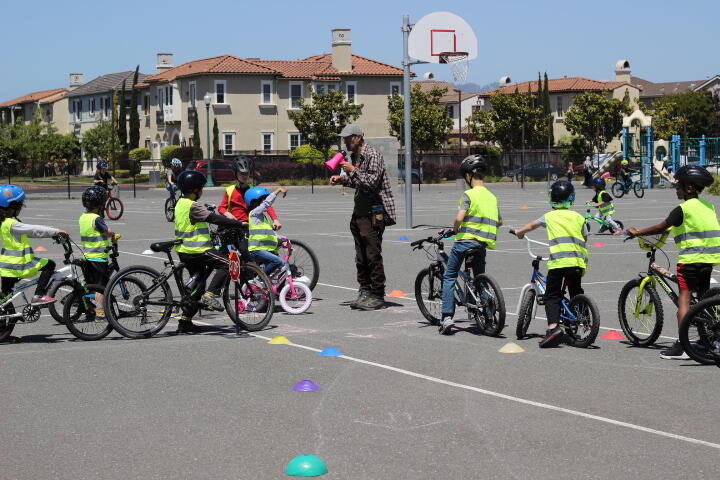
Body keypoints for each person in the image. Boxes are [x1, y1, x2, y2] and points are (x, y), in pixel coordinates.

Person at [627, 165, 720, 360]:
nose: (676, 189)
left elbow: (661, 227)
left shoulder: (682, 209)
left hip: (690, 260)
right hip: (709, 260)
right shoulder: (709, 206)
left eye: (678, 186)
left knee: (684, 300)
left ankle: (683, 345)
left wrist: (637, 232)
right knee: (703, 299)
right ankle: (706, 340)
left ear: (689, 189)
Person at [512, 180, 588, 348]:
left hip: (558, 263)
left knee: (551, 296)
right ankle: (584, 316)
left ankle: (553, 328)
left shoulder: (549, 216)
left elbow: (532, 226)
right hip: (577, 263)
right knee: (575, 291)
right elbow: (585, 236)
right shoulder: (579, 217)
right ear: (571, 198)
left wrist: (519, 232)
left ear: (552, 198)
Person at [330, 124, 396, 311]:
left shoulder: (372, 155)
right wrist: (342, 179)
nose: (345, 141)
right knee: (361, 257)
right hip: (359, 213)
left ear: (358, 137)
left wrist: (352, 170)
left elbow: (372, 182)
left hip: (373, 214)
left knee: (372, 255)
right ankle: (365, 290)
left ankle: (378, 295)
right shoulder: (355, 157)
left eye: (348, 138)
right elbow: (358, 182)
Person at [173, 170, 245, 334]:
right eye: (201, 188)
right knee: (229, 263)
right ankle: (211, 295)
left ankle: (185, 322)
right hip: (197, 250)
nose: (202, 191)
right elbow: (212, 218)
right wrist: (236, 223)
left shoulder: (180, 203)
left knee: (199, 284)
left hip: (184, 250)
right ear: (195, 189)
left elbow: (194, 222)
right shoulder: (192, 206)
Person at [439, 156, 502, 334]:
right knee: (479, 278)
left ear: (468, 175)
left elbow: (459, 218)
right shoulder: (492, 197)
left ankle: (446, 318)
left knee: (450, 276)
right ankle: (489, 314)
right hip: (482, 244)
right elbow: (500, 221)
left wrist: (455, 229)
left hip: (465, 241)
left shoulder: (469, 194)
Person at [0, 185, 69, 338]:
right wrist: (55, 231)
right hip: (19, 264)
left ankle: (3, 332)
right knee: (49, 264)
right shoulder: (13, 224)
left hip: (5, 266)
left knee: (5, 301)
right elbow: (33, 230)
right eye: (19, 206)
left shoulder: (4, 222)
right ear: (13, 206)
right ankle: (38, 296)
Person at [79, 186, 120, 318]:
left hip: (88, 256)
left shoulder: (83, 217)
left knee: (92, 284)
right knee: (102, 287)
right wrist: (113, 234)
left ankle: (85, 301)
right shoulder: (96, 219)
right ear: (100, 204)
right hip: (98, 257)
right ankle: (101, 310)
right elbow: (107, 233)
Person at [218, 156, 281, 229]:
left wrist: (275, 220)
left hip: (252, 225)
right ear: (235, 173)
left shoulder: (254, 190)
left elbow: (267, 204)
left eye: (247, 173)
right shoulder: (230, 190)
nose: (245, 176)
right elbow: (221, 208)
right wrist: (228, 214)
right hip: (236, 226)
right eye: (242, 173)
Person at [245, 186, 290, 277]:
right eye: (263, 199)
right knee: (278, 261)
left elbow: (271, 234)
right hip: (257, 249)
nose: (266, 202)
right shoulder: (254, 213)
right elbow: (266, 204)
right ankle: (259, 280)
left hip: (266, 249)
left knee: (282, 268)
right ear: (255, 202)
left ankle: (278, 290)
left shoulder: (262, 218)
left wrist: (281, 240)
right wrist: (278, 190)